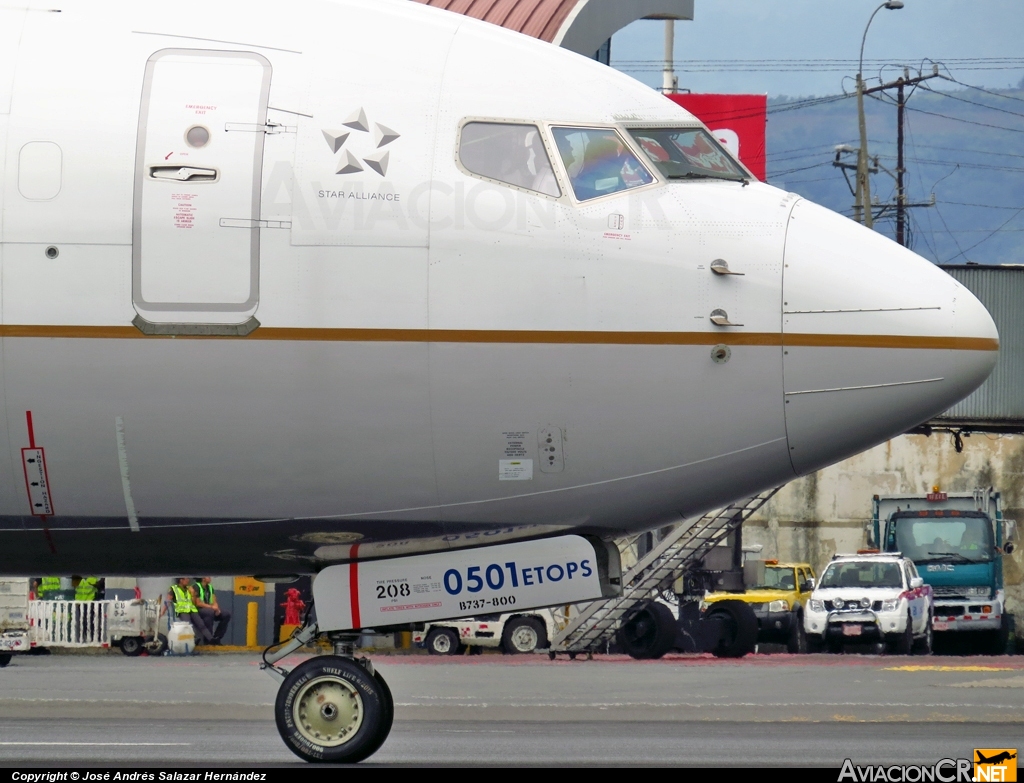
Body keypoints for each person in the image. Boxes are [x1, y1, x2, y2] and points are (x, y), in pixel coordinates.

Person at [161, 577, 213, 645]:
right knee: (188, 625)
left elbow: (194, 602)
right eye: (186, 579)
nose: (188, 580)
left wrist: (192, 594)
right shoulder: (173, 589)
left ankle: (211, 639)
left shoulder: (190, 588)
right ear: (181, 580)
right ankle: (193, 639)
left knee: (201, 624)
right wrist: (162, 611)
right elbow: (168, 601)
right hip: (182, 610)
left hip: (192, 609)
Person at [193, 577, 231, 645]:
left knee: (226, 614)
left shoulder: (210, 587)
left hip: (210, 609)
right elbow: (198, 603)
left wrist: (216, 608)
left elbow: (214, 600)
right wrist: (212, 608)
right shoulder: (196, 587)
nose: (210, 578)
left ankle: (217, 638)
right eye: (208, 577)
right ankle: (208, 640)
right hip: (199, 610)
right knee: (209, 613)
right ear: (203, 578)